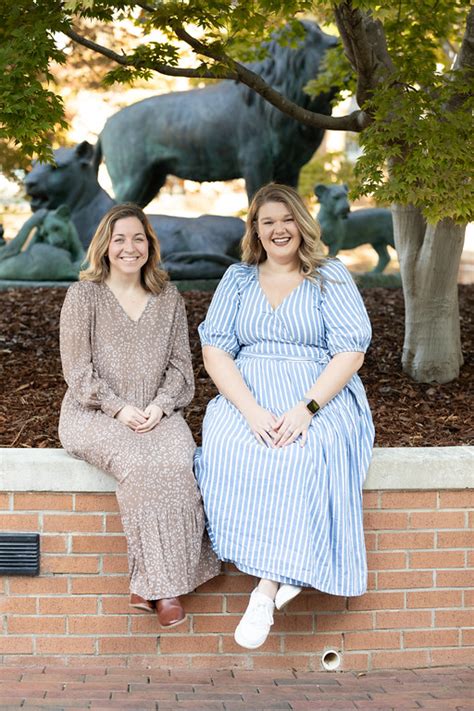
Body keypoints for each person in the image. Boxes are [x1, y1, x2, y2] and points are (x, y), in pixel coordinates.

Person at [194, 183, 374, 649]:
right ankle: (293, 568)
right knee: (230, 446)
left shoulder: (330, 276)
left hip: (319, 394)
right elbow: (215, 351)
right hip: (247, 394)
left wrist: (307, 408)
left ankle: (266, 589)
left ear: (302, 222)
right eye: (267, 221)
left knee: (304, 452)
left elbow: (350, 352)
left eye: (286, 219)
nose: (278, 230)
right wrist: (251, 411)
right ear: (255, 229)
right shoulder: (237, 280)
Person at [59, 203, 220, 628]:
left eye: (138, 238)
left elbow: (181, 371)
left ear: (150, 244)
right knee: (140, 462)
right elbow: (77, 371)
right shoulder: (84, 296)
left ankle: (149, 582)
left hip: (155, 412)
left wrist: (159, 406)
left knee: (177, 459)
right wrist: (119, 408)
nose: (129, 247)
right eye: (120, 239)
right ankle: (163, 589)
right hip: (94, 413)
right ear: (105, 247)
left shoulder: (168, 299)